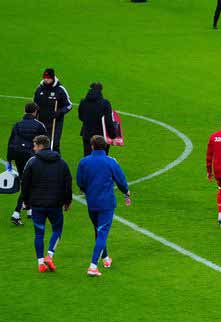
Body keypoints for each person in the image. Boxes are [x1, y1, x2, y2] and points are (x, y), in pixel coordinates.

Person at [76, 135, 131, 277]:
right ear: (105, 146)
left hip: (91, 202)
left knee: (98, 230)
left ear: (92, 146)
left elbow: (80, 182)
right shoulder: (110, 162)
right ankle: (93, 266)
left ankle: (106, 258)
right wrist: (126, 191)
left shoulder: (84, 162)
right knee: (102, 232)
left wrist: (87, 189)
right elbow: (121, 179)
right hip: (106, 203)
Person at [20, 134, 72, 272]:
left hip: (37, 204)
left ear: (40, 145)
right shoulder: (61, 162)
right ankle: (50, 255)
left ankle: (40, 263)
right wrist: (68, 201)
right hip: (55, 204)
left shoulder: (32, 162)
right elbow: (68, 183)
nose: (33, 148)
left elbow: (25, 183)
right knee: (57, 229)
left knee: (39, 233)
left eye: (35, 145)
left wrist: (26, 201)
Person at [7, 102, 47, 226]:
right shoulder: (39, 125)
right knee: (29, 184)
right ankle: (16, 213)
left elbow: (11, 141)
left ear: (25, 110)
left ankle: (30, 210)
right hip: (31, 157)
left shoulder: (17, 124)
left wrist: (9, 160)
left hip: (18, 155)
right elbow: (45, 143)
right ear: (35, 112)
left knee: (26, 182)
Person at [33, 68, 72, 153]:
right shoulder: (39, 89)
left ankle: (57, 163)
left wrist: (60, 112)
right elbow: (34, 104)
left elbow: (69, 105)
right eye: (45, 77)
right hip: (41, 122)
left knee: (53, 145)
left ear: (53, 78)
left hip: (55, 122)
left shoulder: (60, 89)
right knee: (40, 144)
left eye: (48, 78)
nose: (46, 80)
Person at [77, 82, 114, 156]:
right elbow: (108, 121)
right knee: (102, 158)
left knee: (88, 156)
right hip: (101, 137)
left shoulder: (83, 102)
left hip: (87, 134)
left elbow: (81, 117)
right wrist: (113, 136)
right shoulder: (105, 103)